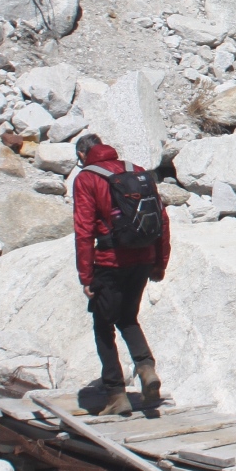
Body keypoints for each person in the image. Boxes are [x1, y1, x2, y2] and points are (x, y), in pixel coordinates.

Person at [72, 133, 171, 415]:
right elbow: (162, 219)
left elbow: (83, 230)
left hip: (110, 262)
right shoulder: (136, 171)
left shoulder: (86, 179)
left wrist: (86, 276)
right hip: (143, 258)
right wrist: (159, 262)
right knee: (128, 317)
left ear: (82, 155)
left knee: (103, 326)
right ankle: (146, 368)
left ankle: (116, 394)